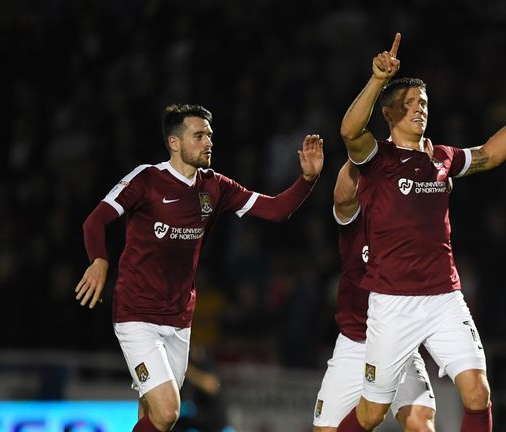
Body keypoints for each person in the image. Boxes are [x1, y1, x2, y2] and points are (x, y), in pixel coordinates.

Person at [336, 33, 506, 432]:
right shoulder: (378, 159)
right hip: (392, 302)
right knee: (372, 413)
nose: (418, 109)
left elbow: (491, 153)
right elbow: (349, 132)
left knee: (478, 392)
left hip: (444, 297)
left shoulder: (441, 157)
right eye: (408, 104)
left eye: (423, 103)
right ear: (388, 113)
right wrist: (376, 80)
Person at [74, 104, 323, 432]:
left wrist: (306, 180)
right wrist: (99, 260)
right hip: (137, 314)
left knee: (151, 416)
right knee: (167, 413)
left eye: (210, 135)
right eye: (199, 135)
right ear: (175, 143)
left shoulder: (215, 186)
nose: (208, 142)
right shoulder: (147, 179)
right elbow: (96, 220)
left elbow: (275, 210)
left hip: (179, 319)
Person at [314, 159, 437, 432]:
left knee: (421, 425)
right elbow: (341, 197)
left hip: (397, 340)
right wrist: (357, 150)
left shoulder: (409, 224)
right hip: (355, 341)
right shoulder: (355, 219)